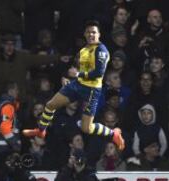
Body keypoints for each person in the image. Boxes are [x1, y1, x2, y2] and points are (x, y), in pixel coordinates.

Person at [22, 20, 125, 151]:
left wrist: (78, 75)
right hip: (78, 86)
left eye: (94, 32)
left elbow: (98, 72)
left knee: (86, 128)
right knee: (50, 105)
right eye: (88, 32)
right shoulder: (84, 50)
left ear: (99, 34)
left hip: (91, 91)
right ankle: (40, 131)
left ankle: (114, 134)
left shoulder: (101, 51)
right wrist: (67, 78)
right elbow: (75, 69)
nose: (91, 34)